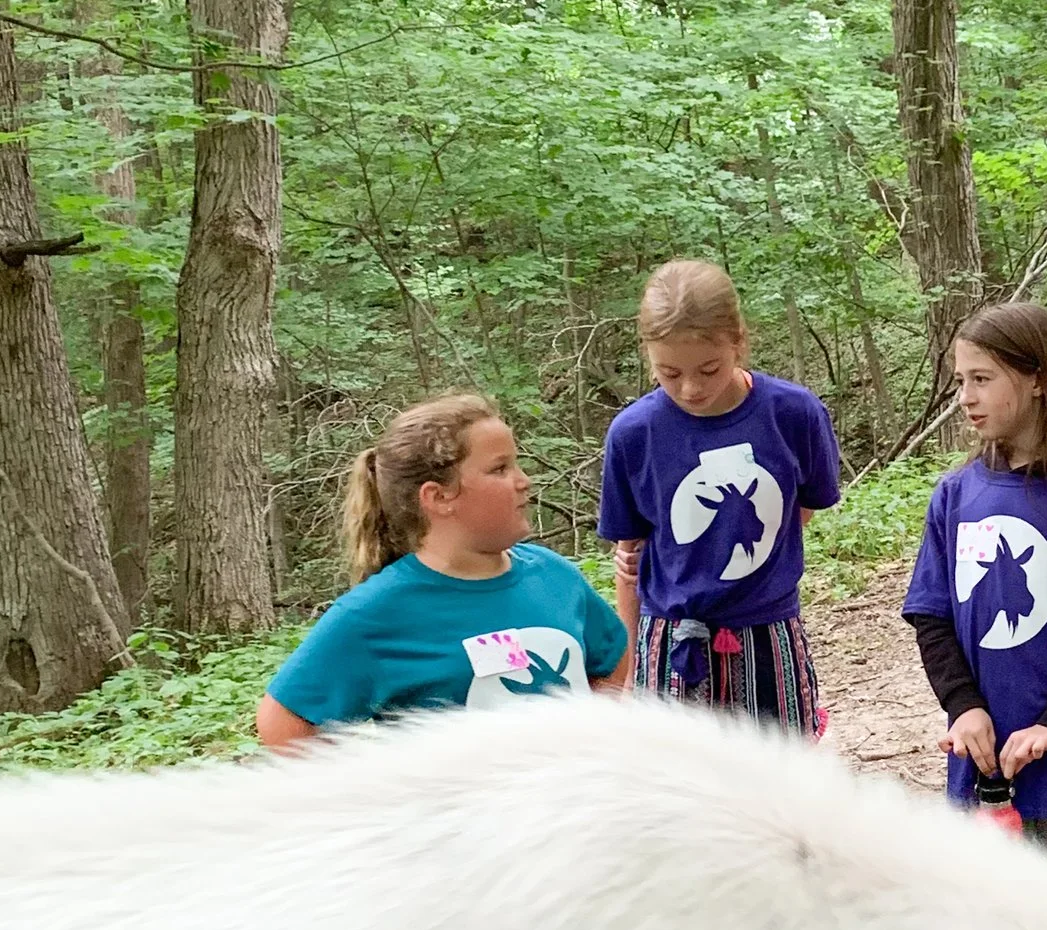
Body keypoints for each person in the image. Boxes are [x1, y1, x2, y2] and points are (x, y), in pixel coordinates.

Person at [903, 303, 1047, 882]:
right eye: (961, 381)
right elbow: (931, 615)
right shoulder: (956, 495)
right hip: (979, 755)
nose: (965, 397)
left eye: (981, 379)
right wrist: (964, 708)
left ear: (1038, 379)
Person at [256, 394, 628, 750]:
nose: (523, 480)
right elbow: (284, 724)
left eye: (515, 464)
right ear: (439, 497)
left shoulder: (552, 575)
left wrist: (588, 745)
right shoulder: (377, 612)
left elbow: (613, 658)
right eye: (500, 468)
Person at [599, 260, 842, 735]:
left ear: (739, 341)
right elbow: (629, 561)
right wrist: (627, 675)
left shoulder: (793, 415)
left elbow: (798, 511)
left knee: (780, 781)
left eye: (709, 369)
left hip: (770, 632)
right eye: (669, 373)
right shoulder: (634, 434)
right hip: (670, 639)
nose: (691, 389)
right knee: (678, 786)